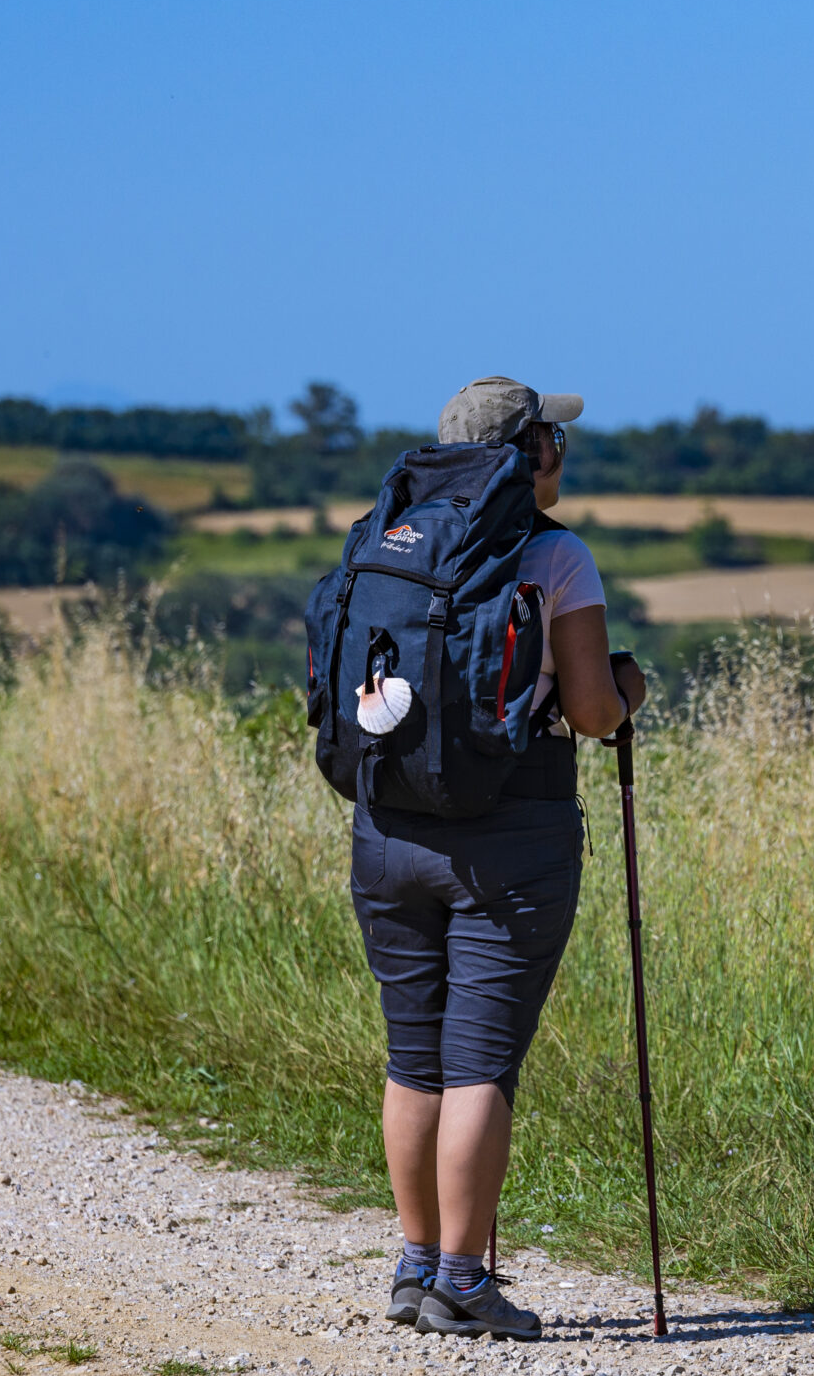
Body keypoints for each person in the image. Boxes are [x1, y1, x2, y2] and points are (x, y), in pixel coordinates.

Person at [351, 377, 646, 1341]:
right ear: (529, 454)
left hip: (387, 831)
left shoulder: (387, 534)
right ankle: (463, 1279)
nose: (564, 448)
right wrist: (629, 689)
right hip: (511, 840)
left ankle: (412, 1265)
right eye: (554, 435)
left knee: (415, 1054)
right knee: (479, 1063)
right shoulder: (555, 554)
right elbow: (597, 712)